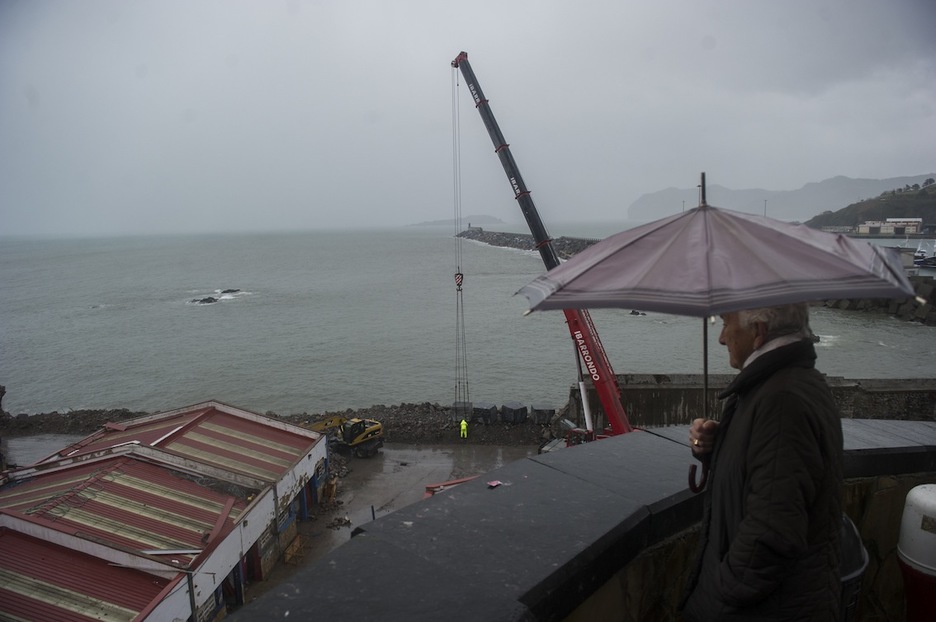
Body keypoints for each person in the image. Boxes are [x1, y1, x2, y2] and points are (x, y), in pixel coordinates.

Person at [681, 303, 844, 621]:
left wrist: (718, 595)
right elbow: (770, 479)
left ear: (759, 332)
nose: (722, 338)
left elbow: (773, 532)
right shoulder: (786, 385)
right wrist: (718, 448)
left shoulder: (782, 402)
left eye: (727, 323)